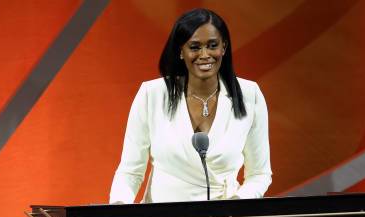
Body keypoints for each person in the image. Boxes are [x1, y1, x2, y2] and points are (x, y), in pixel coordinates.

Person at [109, 8, 272, 204]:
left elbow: (259, 174)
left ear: (224, 48)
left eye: (212, 45)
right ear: (181, 51)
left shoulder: (249, 94)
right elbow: (130, 172)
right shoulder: (152, 95)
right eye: (195, 47)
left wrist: (236, 205)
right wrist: (118, 209)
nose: (205, 55)